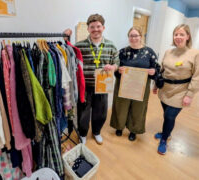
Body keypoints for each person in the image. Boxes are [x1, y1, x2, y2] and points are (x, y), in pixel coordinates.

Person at [64, 14, 119, 145]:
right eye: (92, 27)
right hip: (84, 86)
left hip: (102, 85)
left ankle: (96, 132)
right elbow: (67, 53)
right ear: (88, 29)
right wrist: (66, 38)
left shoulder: (111, 46)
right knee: (83, 112)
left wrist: (113, 67)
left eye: (98, 26)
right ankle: (82, 134)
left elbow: (117, 61)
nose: (95, 29)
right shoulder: (80, 45)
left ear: (103, 27)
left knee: (100, 112)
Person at [153, 24, 199, 155]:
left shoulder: (195, 53)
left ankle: (164, 139)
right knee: (166, 115)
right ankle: (165, 132)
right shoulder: (168, 52)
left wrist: (190, 95)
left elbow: (197, 76)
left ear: (188, 36)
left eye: (181, 34)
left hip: (181, 91)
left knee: (169, 116)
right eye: (176, 34)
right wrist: (156, 85)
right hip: (165, 89)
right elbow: (162, 70)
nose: (178, 37)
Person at [110, 26, 158, 141]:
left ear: (141, 37)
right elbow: (115, 66)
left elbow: (156, 67)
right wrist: (119, 70)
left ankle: (133, 130)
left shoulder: (149, 52)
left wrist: (153, 71)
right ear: (128, 37)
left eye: (136, 35)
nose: (133, 38)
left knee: (138, 108)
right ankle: (119, 127)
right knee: (121, 106)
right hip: (124, 84)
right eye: (131, 35)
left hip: (141, 86)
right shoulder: (122, 52)